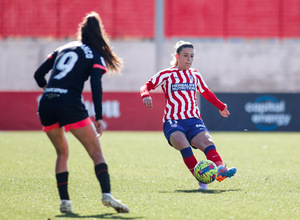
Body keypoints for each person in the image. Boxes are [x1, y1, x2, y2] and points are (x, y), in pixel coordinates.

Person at [34, 12, 129, 213]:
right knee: (96, 153)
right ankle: (107, 195)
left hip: (47, 103)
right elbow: (96, 85)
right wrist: (100, 117)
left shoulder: (63, 48)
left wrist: (50, 92)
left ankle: (65, 202)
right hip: (70, 103)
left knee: (62, 152)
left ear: (81, 32)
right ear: (99, 33)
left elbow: (38, 75)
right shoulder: (95, 54)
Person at [140, 40, 237, 190]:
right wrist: (145, 94)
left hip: (193, 120)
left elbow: (206, 92)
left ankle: (220, 170)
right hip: (173, 121)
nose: (189, 59)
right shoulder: (167, 74)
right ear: (177, 56)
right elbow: (146, 85)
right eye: (185, 55)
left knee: (208, 143)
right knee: (183, 145)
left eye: (192, 56)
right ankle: (201, 181)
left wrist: (221, 106)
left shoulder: (195, 75)